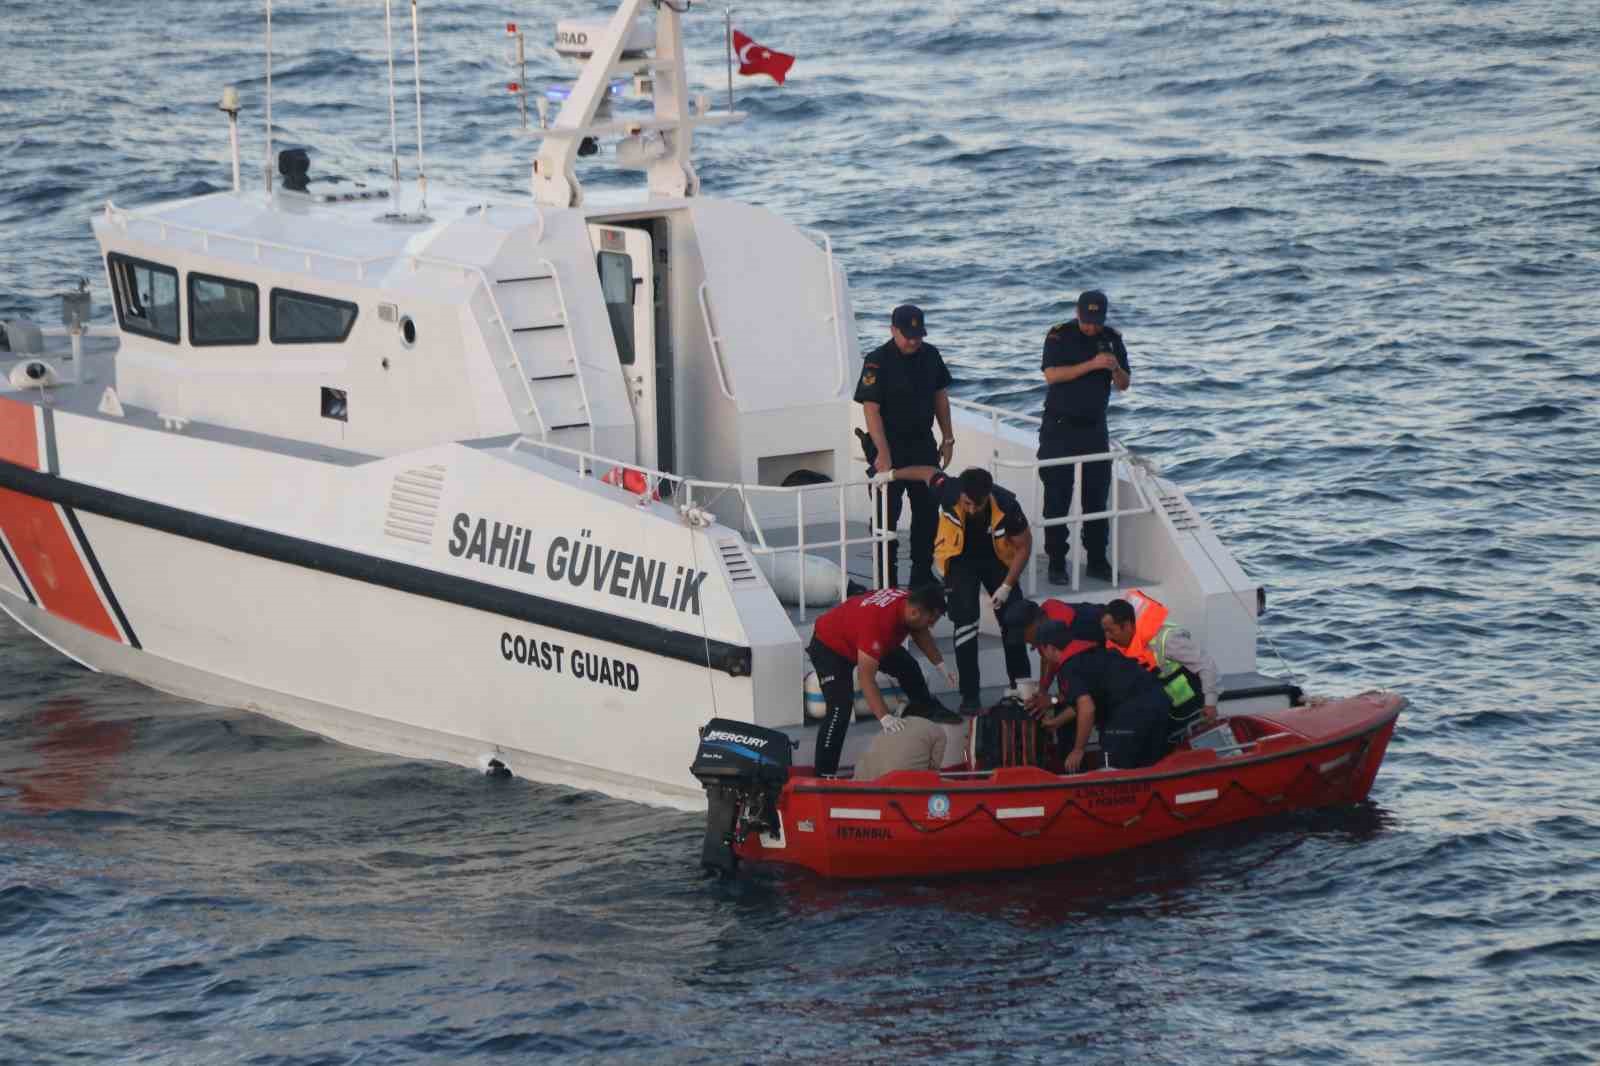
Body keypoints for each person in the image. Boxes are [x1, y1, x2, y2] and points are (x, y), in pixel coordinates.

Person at [890, 465, 1033, 711]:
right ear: (961, 493)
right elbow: (927, 472)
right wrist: (891, 474)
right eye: (967, 503)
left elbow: (1024, 546)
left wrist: (1007, 586)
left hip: (997, 559)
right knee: (965, 623)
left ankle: (1021, 688)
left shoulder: (1007, 505)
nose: (972, 509)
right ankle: (970, 695)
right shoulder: (949, 490)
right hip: (960, 560)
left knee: (1013, 619)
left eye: (977, 505)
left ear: (989, 494)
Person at [855, 304, 954, 588]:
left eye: (918, 335)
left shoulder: (931, 355)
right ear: (893, 331)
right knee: (887, 515)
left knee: (927, 511)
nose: (913, 341)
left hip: (922, 443)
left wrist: (947, 437)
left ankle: (922, 574)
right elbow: (871, 410)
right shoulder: (877, 361)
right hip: (887, 444)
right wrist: (883, 453)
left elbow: (940, 397)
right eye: (907, 335)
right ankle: (886, 577)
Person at [808, 583, 952, 776]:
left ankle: (924, 708)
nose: (932, 626)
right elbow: (866, 677)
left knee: (908, 666)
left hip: (858, 632)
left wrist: (940, 664)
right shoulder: (878, 625)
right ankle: (824, 775)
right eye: (931, 620)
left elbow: (920, 630)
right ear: (915, 613)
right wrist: (885, 717)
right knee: (839, 709)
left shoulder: (910, 603)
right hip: (830, 647)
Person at [1038, 290, 1131, 585]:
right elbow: (1051, 375)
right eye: (1088, 320)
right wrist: (1091, 365)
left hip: (1094, 429)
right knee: (1057, 496)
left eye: (1097, 321)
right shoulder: (1059, 336)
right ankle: (1056, 560)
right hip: (1060, 428)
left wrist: (1114, 366)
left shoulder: (1112, 338)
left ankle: (1097, 560)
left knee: (1095, 497)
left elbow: (1124, 384)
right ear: (1078, 313)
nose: (1092, 327)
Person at [1033, 622, 1170, 772]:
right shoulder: (1091, 653)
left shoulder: (1070, 666)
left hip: (1132, 715)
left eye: (1040, 650)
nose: (1042, 656)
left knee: (1109, 766)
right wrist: (1056, 722)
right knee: (1148, 767)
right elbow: (1082, 702)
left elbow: (1087, 708)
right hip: (1159, 703)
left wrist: (1078, 749)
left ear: (1049, 648)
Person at [1100, 594, 1220, 741]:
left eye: (1111, 631)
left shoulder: (1167, 640)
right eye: (1105, 631)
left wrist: (1210, 704)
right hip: (1164, 709)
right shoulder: (1122, 646)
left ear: (1127, 626)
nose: (1107, 637)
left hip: (1192, 707)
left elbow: (1206, 665)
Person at [1000, 597, 1105, 712]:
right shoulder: (1048, 623)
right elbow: (1047, 659)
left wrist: (1052, 700)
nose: (1025, 641)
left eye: (1023, 635)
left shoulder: (1074, 640)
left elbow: (1081, 696)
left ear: (1036, 623)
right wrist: (1042, 692)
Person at [852, 714, 948, 781]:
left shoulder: (887, 729)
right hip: (901, 787)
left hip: (862, 783)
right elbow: (933, 772)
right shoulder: (936, 730)